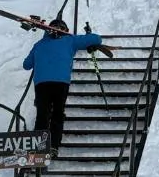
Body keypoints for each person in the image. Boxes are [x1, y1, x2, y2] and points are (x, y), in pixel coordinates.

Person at [23, 19, 114, 154]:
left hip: (42, 83)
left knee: (42, 114)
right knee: (57, 113)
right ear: (64, 30)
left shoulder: (39, 44)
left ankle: (39, 147)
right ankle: (53, 145)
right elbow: (97, 39)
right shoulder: (70, 41)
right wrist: (89, 37)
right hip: (61, 82)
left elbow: (26, 65)